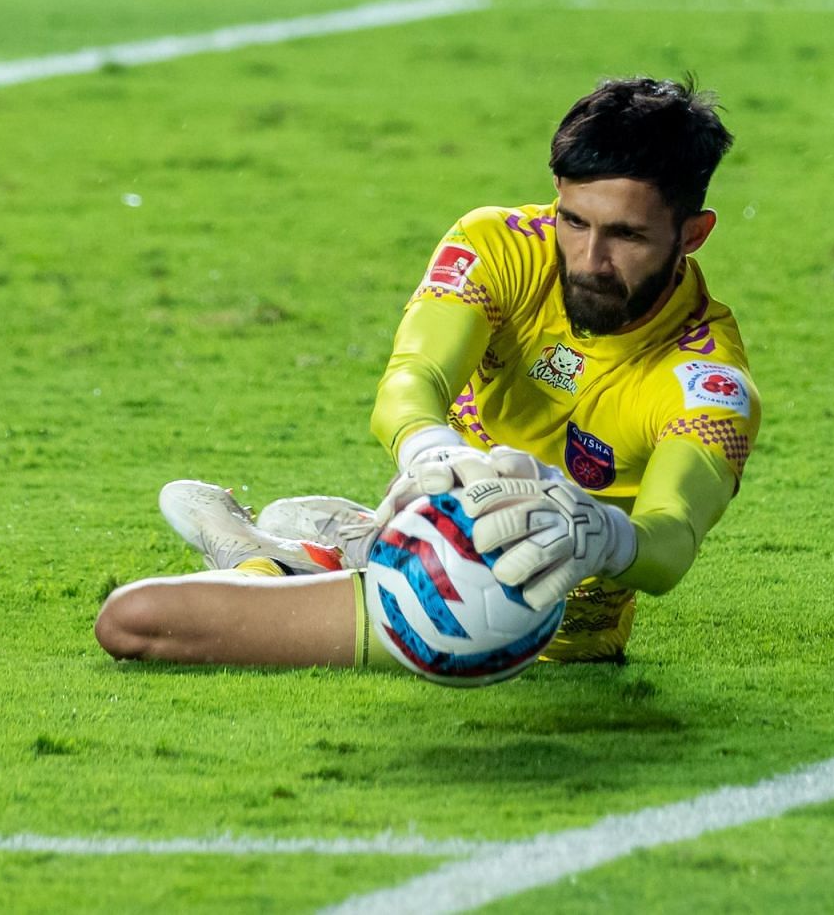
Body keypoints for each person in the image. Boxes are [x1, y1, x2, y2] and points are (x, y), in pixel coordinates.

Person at [94, 76, 759, 669]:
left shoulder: (707, 378)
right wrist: (429, 447)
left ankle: (270, 560)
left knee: (137, 621)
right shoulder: (498, 246)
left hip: (517, 613)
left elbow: (672, 537)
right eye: (573, 221)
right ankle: (351, 548)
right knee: (137, 619)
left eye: (627, 236)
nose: (589, 258)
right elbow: (412, 380)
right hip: (435, 529)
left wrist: (602, 535)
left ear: (693, 233)